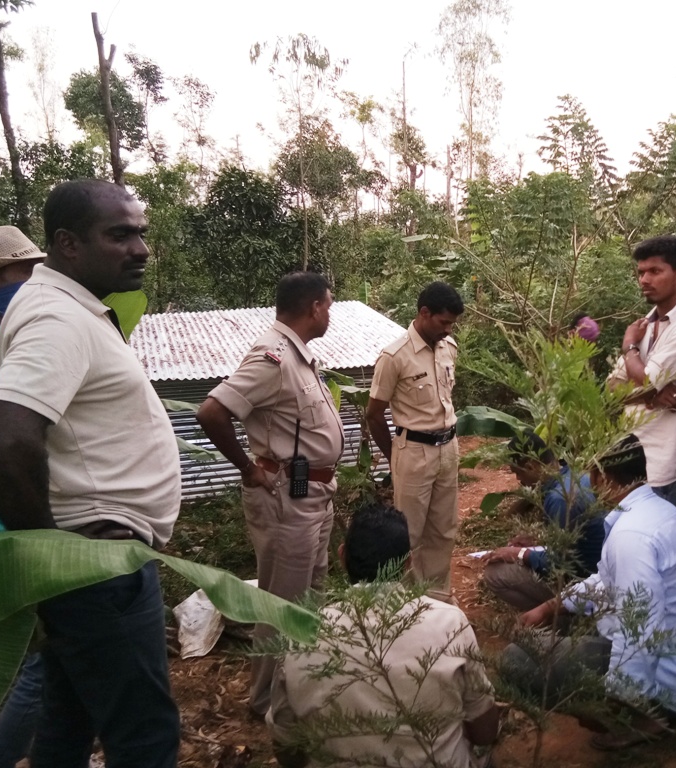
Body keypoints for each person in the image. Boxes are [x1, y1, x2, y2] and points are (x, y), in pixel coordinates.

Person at [0, 179, 182, 768]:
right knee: (145, 737)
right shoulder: (58, 319)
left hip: (93, 567)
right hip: (98, 567)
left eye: (141, 234)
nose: (140, 248)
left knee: (67, 722)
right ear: (68, 244)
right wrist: (55, 555)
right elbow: (6, 437)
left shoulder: (70, 308)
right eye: (119, 234)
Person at [504, 436, 676, 749]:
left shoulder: (631, 534)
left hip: (665, 685)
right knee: (549, 633)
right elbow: (605, 581)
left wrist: (622, 700)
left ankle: (639, 718)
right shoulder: (655, 512)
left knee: (515, 659)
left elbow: (639, 625)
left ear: (600, 477)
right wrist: (549, 607)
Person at [197, 271, 345, 718]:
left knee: (310, 595)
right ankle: (269, 703)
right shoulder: (272, 357)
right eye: (329, 305)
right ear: (314, 307)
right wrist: (248, 469)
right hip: (287, 498)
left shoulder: (299, 358)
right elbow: (212, 412)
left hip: (314, 494)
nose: (331, 313)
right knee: (281, 603)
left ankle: (299, 684)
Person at [268, 503, 499, 768]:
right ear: (408, 563)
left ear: (342, 557)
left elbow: (287, 748)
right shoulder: (450, 623)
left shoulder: (301, 635)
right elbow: (484, 730)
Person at [365, 281, 464, 598]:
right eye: (443, 322)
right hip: (413, 452)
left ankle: (437, 602)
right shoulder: (394, 356)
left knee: (443, 531)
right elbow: (374, 413)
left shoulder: (448, 348)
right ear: (424, 313)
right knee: (408, 534)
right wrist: (395, 455)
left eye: (452, 324)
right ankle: (410, 606)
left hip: (448, 448)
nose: (448, 330)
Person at [607, 235, 676, 507]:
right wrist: (649, 396)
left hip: (664, 463)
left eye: (655, 271)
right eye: (641, 272)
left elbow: (646, 377)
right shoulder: (645, 323)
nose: (644, 280)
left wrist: (630, 347)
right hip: (629, 459)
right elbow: (611, 388)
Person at [0, 226, 47, 768]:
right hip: (14, 537)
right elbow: (11, 444)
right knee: (36, 668)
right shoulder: (10, 347)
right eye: (20, 273)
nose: (31, 282)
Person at [482, 429, 604, 612]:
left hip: (584, 580)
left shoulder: (559, 498)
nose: (519, 480)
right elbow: (575, 539)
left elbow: (561, 562)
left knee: (495, 574)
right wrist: (537, 541)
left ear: (531, 466)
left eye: (518, 473)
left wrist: (520, 554)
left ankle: (560, 618)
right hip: (596, 570)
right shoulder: (575, 477)